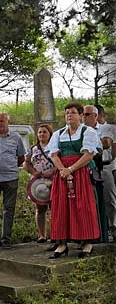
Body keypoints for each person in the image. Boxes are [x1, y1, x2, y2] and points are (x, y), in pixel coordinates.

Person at [46, 102, 100, 258]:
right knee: (60, 207)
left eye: (73, 112)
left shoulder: (87, 131)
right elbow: (54, 155)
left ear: (81, 115)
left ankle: (87, 243)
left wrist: (71, 170)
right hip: (62, 174)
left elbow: (88, 155)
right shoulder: (58, 134)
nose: (69, 115)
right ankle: (62, 244)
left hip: (81, 172)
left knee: (83, 206)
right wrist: (63, 170)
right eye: (67, 113)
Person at [0, 112, 25, 247]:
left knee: (8, 209)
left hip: (11, 178)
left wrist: (10, 167)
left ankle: (6, 239)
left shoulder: (16, 137)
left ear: (8, 122)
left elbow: (21, 158)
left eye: (2, 121)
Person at [23, 124, 56, 243]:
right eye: (40, 132)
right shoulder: (32, 149)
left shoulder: (55, 147)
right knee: (40, 208)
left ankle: (55, 234)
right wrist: (34, 171)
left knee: (54, 208)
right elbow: (26, 164)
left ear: (50, 134)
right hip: (37, 182)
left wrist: (52, 171)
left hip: (53, 180)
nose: (42, 134)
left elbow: (61, 163)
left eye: (44, 132)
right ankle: (42, 235)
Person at [84, 105, 109, 243]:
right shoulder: (79, 130)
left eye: (87, 114)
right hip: (81, 170)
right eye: (83, 114)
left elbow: (103, 147)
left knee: (103, 202)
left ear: (95, 115)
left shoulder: (104, 129)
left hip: (99, 169)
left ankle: (103, 234)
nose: (84, 117)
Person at [95, 104, 116, 241]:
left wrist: (110, 160)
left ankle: (113, 227)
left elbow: (111, 146)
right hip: (94, 167)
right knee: (98, 199)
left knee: (110, 198)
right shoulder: (87, 130)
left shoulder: (111, 128)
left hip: (108, 166)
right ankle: (101, 229)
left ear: (100, 115)